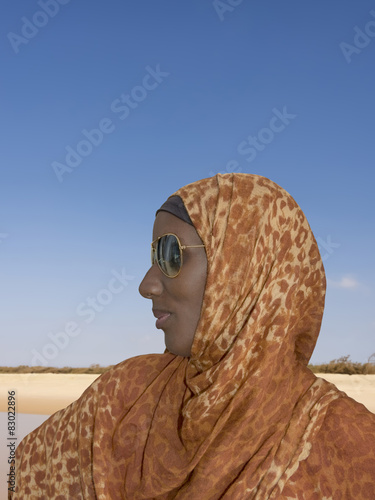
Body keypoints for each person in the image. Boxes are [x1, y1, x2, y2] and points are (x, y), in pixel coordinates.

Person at [10, 173, 375, 499]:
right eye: (152, 256)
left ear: (245, 268)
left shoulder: (351, 445)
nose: (146, 285)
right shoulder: (124, 397)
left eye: (171, 254)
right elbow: (25, 470)